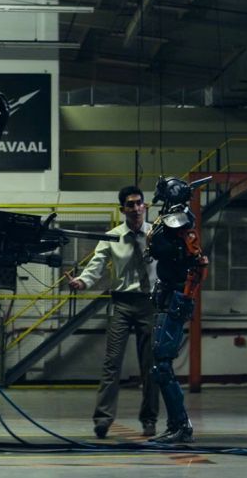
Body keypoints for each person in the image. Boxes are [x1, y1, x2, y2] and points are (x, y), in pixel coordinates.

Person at [66, 185, 159, 439]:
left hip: (150, 303)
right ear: (123, 209)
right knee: (111, 363)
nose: (136, 208)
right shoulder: (112, 237)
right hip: (121, 304)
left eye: (140, 203)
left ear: (145, 206)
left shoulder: (156, 234)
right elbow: (95, 267)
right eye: (131, 204)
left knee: (151, 365)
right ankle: (103, 420)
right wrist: (81, 282)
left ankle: (149, 419)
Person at [143, 176, 210, 444]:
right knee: (161, 363)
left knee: (161, 363)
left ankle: (181, 426)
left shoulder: (179, 220)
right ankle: (177, 425)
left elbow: (168, 251)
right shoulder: (170, 221)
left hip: (176, 297)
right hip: (169, 294)